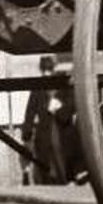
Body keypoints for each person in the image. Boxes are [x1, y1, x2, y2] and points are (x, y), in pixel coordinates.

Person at [20, 56, 80, 184]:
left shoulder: (64, 85)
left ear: (53, 69)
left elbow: (73, 106)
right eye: (44, 71)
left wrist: (58, 110)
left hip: (63, 130)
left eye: (49, 70)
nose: (47, 74)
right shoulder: (38, 88)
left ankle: (67, 180)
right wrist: (27, 133)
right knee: (46, 162)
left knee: (63, 160)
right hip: (45, 132)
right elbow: (30, 111)